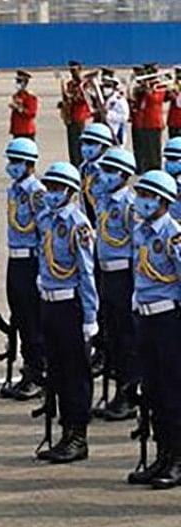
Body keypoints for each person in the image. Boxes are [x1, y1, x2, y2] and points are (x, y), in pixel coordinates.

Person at [34, 161, 99, 463]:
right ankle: (63, 431)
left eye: (58, 188)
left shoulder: (78, 224)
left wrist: (90, 317)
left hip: (71, 305)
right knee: (57, 371)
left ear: (71, 192)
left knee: (75, 374)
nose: (51, 193)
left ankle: (78, 435)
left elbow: (86, 273)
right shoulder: (45, 219)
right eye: (49, 187)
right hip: (49, 302)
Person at [127, 171, 181, 488]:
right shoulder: (141, 232)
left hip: (169, 321)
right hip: (145, 318)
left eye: (148, 196)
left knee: (173, 392)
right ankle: (161, 455)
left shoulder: (174, 236)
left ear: (162, 200)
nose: (142, 201)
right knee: (152, 390)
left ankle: (177, 458)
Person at [90, 147, 139, 422]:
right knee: (110, 336)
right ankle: (116, 389)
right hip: (106, 274)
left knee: (126, 337)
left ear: (124, 175)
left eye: (110, 171)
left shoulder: (129, 206)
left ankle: (128, 393)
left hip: (125, 276)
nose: (104, 176)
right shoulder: (104, 202)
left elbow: (135, 245)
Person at [1, 137, 46, 401]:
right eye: (11, 161)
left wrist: (43, 270)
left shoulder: (36, 192)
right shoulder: (13, 190)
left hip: (32, 260)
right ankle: (28, 368)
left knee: (32, 320)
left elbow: (43, 231)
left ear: (30, 164)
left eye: (17, 161)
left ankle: (38, 372)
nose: (12, 166)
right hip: (15, 259)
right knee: (18, 316)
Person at [60, 61, 93, 164]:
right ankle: (74, 162)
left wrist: (73, 97)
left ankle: (82, 162)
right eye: (71, 71)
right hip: (71, 116)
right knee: (72, 143)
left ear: (80, 70)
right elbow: (67, 98)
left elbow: (86, 99)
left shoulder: (85, 84)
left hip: (80, 116)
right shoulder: (70, 84)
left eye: (74, 70)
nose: (72, 73)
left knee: (80, 142)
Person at [10, 70, 39, 139]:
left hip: (26, 131)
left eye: (19, 81)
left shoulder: (29, 96)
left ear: (25, 83)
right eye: (17, 81)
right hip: (17, 130)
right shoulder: (16, 95)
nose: (17, 83)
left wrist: (19, 109)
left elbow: (32, 113)